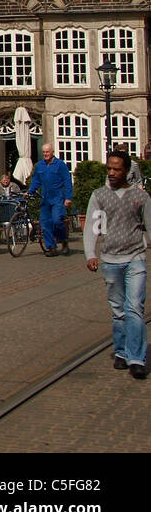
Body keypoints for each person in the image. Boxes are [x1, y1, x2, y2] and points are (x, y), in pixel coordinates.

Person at [85, 151, 150, 379]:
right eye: (109, 169)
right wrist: (90, 253)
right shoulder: (99, 195)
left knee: (134, 307)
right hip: (110, 260)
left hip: (135, 257)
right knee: (118, 310)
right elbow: (93, 226)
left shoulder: (141, 197)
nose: (111, 173)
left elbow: (150, 225)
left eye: (116, 169)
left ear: (127, 171)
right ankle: (121, 352)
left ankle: (136, 357)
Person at [28, 143, 74, 256]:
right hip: (45, 199)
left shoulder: (60, 165)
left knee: (57, 220)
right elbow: (36, 181)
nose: (45, 154)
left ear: (52, 152)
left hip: (58, 198)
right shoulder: (40, 165)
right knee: (44, 223)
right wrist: (30, 192)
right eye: (43, 152)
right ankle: (51, 247)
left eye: (47, 152)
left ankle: (64, 241)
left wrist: (68, 198)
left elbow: (67, 181)